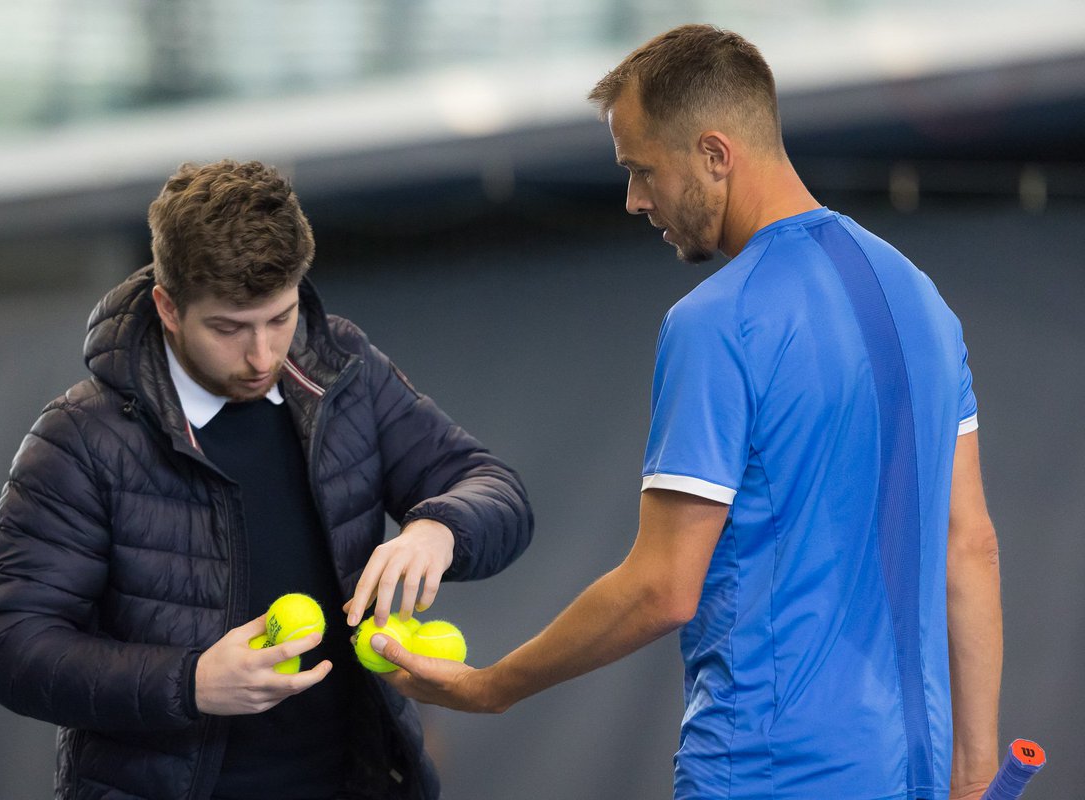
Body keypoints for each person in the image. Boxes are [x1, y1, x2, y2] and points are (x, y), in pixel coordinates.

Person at [370, 24, 1002, 800]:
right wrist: (972, 773)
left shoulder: (716, 321)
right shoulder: (925, 303)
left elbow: (664, 587)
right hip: (920, 772)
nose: (635, 199)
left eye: (642, 170)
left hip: (767, 777)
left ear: (714, 154)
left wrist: (491, 686)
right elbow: (970, 548)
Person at [0, 159, 533, 800]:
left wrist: (438, 528)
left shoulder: (347, 372)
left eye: (281, 317)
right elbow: (9, 644)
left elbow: (494, 488)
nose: (263, 356)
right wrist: (191, 682)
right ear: (168, 307)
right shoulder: (80, 439)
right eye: (229, 329)